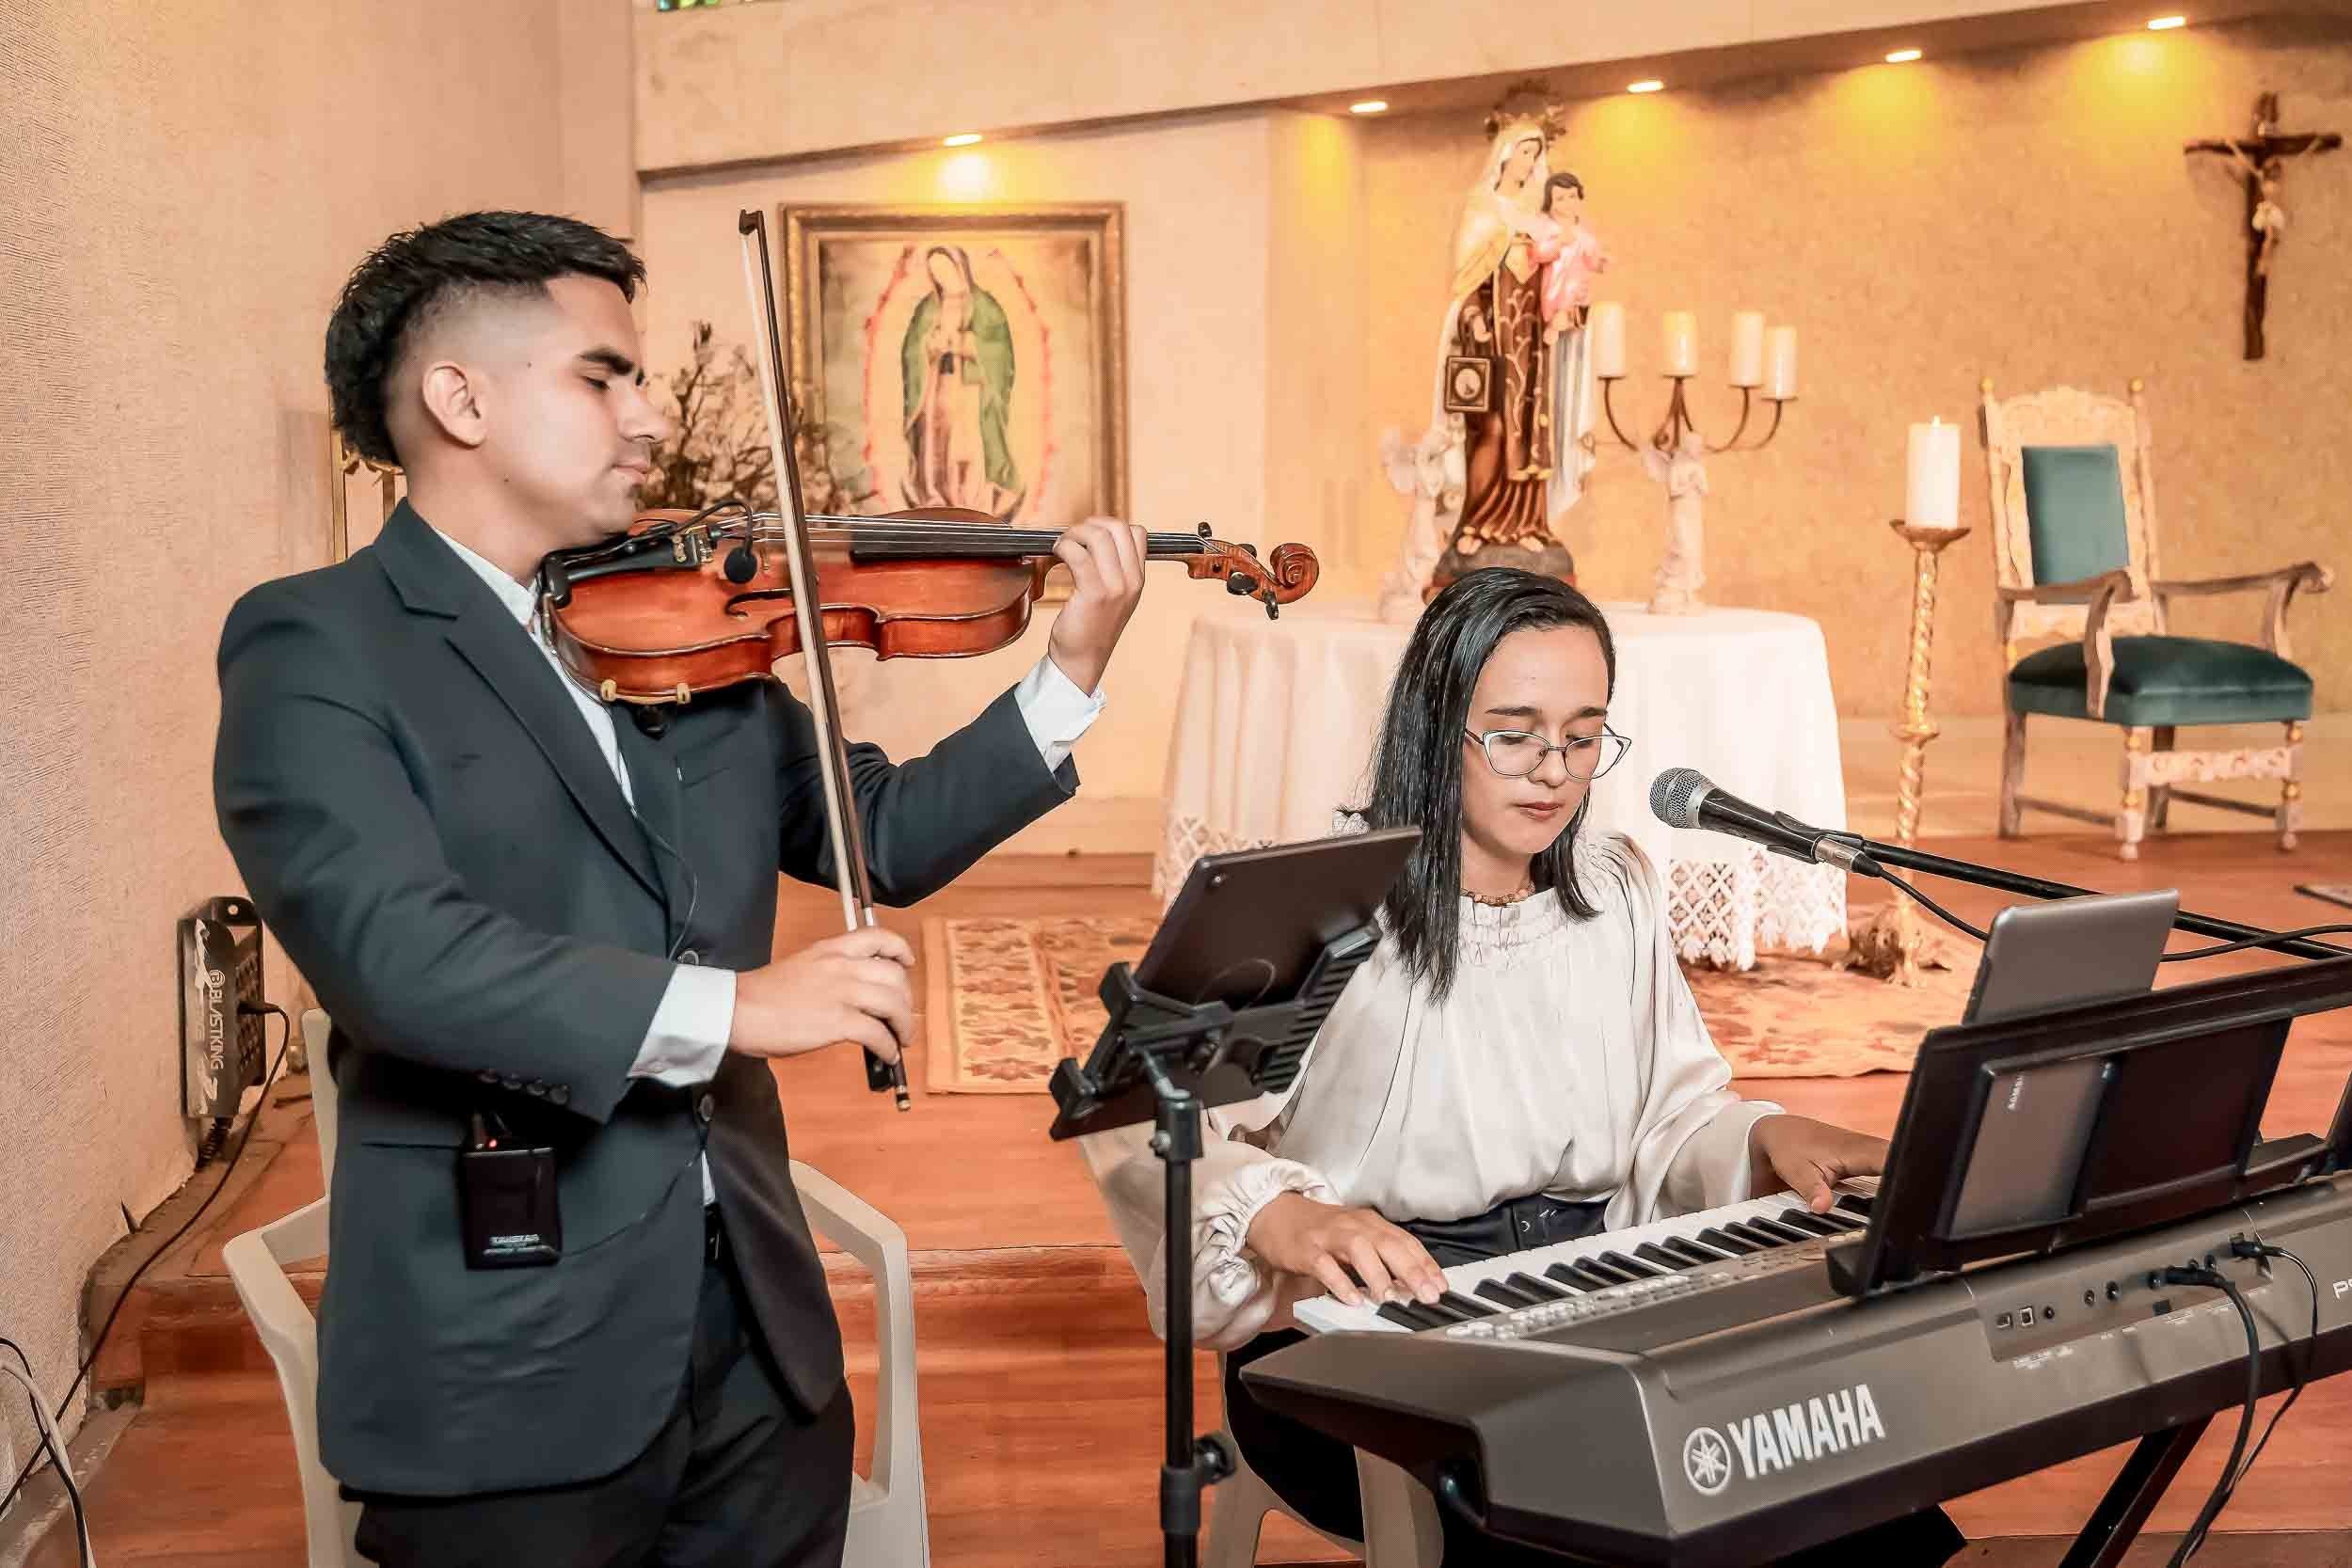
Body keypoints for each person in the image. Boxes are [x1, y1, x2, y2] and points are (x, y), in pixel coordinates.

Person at [214, 210, 1148, 1568]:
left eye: (642, 379)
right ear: (460, 400)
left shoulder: (680, 632)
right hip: (511, 1353)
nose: (647, 419)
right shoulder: (318, 644)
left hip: (759, 1342)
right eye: (603, 378)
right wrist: (738, 1006)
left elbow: (878, 833)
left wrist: (1067, 673)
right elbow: (397, 956)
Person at [1089, 568, 1963, 1565]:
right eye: (1513, 733)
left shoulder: (1614, 887)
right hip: (1358, 1341)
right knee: (1591, 1504)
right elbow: (1133, 1104)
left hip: (1588, 1290)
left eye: (1583, 736)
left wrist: (1764, 1134)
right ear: (1436, 729)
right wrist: (1278, 1214)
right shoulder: (1312, 896)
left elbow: (1666, 1121)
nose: (1553, 770)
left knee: (1830, 1467)